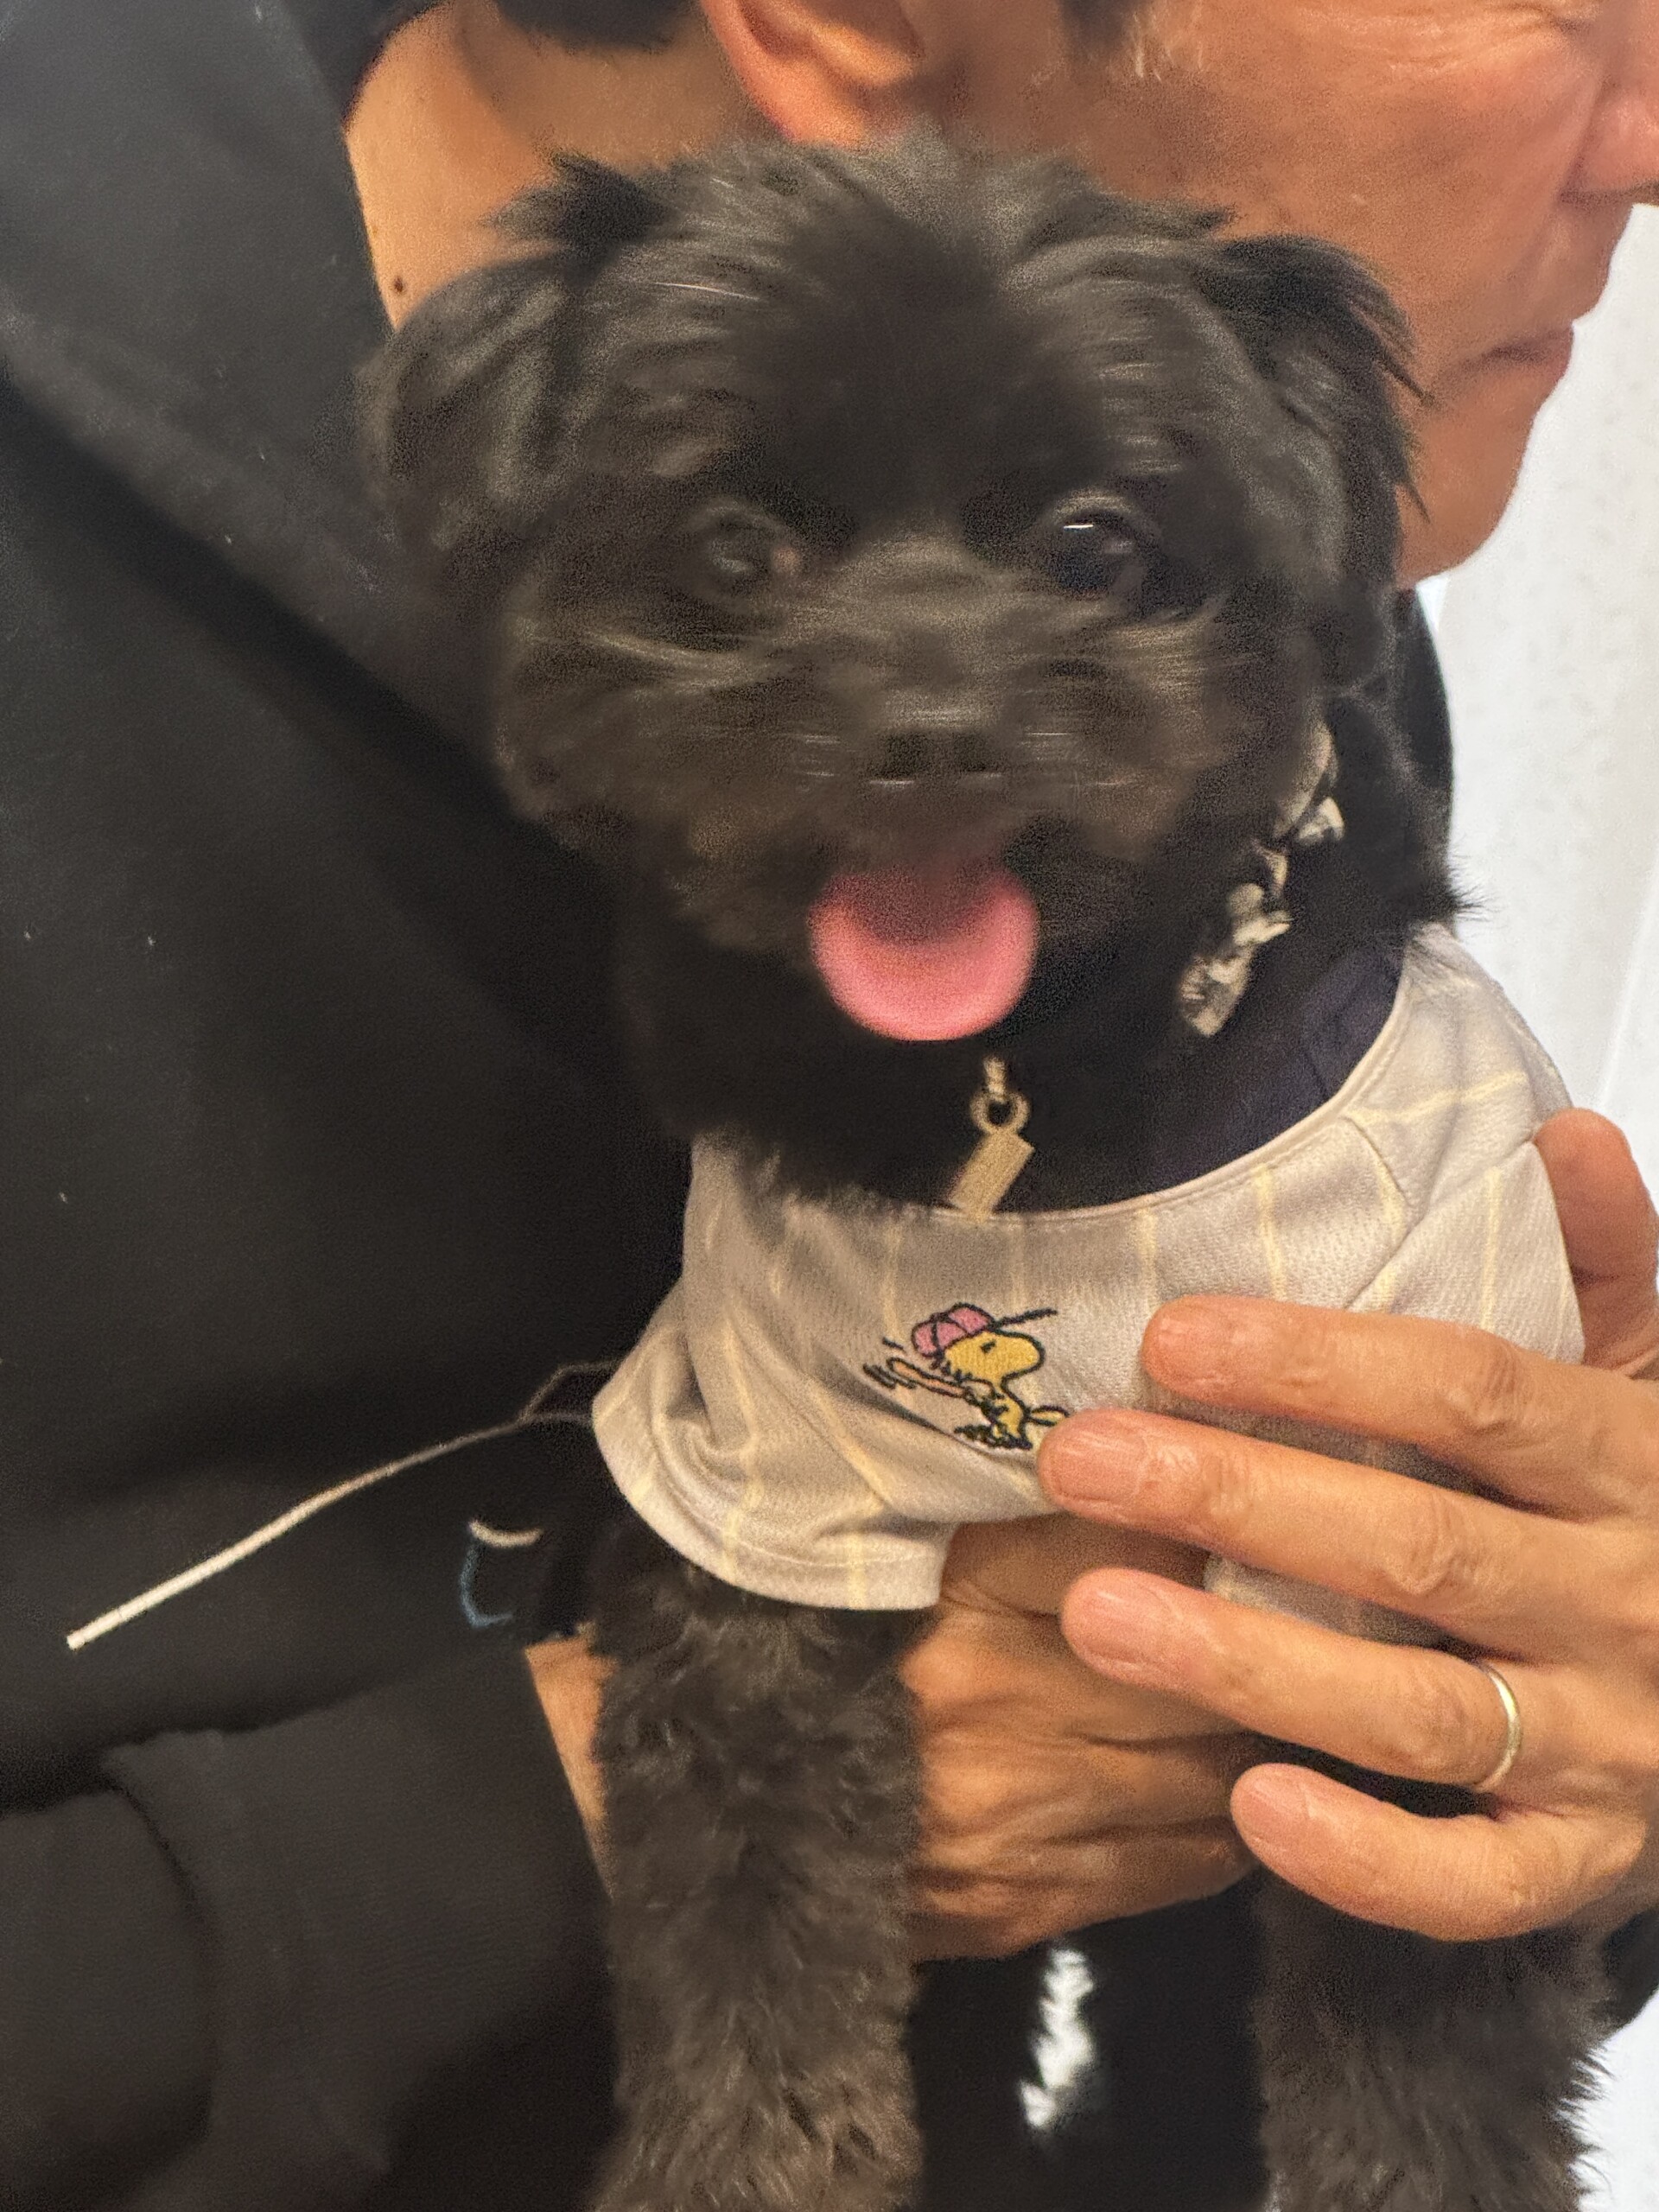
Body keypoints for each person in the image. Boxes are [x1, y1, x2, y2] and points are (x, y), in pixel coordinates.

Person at [0, 1, 1655, 2208]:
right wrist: (563, 1803)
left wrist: (1558, 1732)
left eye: (1093, 556)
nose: (1648, 132)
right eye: (1546, 2)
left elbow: (1419, 1864)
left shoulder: (1255, 676)